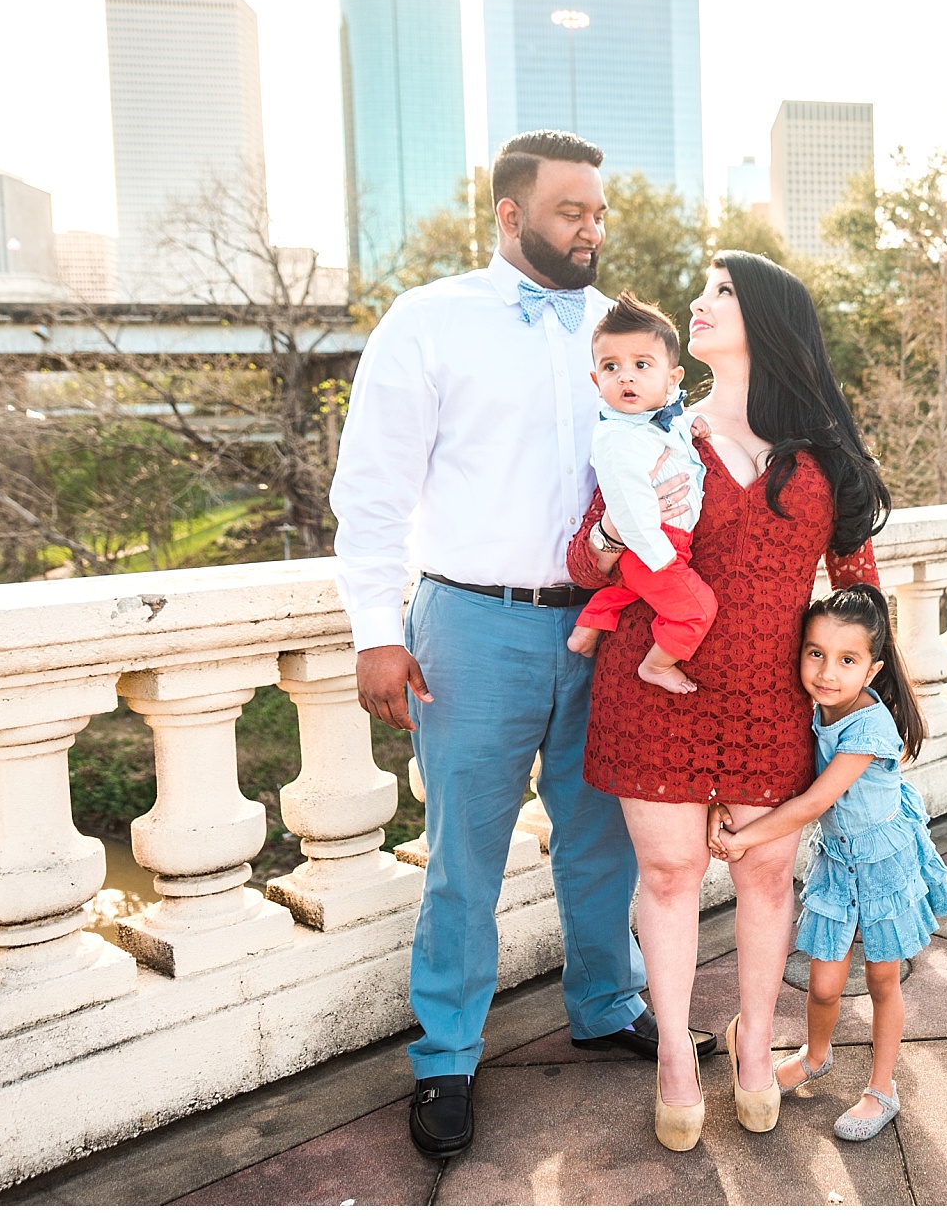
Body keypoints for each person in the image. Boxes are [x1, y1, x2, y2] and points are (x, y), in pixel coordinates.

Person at [331, 130, 710, 1162]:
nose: (591, 231)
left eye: (598, 213)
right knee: (463, 857)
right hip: (469, 626)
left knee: (600, 841)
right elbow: (370, 489)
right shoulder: (429, 321)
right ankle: (447, 1056)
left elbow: (666, 464)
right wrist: (374, 631)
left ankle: (604, 1003)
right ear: (509, 215)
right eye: (569, 213)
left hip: (607, 624)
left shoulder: (619, 335)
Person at [565, 252, 890, 1152]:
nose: (698, 305)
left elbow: (857, 588)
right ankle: (676, 1056)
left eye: (721, 293)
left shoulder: (822, 452)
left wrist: (863, 703)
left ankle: (754, 1050)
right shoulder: (659, 430)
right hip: (655, 688)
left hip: (770, 702)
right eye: (699, 291)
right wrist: (605, 534)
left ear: (771, 319)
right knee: (668, 878)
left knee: (765, 875)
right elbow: (582, 560)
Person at [709, 583, 947, 1143]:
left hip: (883, 859)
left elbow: (815, 802)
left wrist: (744, 838)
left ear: (872, 670)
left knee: (881, 978)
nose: (826, 671)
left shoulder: (868, 726)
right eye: (815, 653)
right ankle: (814, 1055)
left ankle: (882, 1088)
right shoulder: (814, 705)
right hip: (840, 860)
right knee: (823, 984)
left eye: (847, 660)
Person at [566, 297, 715, 695]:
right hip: (654, 545)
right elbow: (628, 508)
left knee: (631, 590)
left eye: (641, 365)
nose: (626, 378)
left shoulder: (656, 419)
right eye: (611, 367)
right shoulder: (617, 438)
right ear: (596, 381)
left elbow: (671, 421)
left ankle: (589, 625)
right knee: (699, 609)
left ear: (672, 379)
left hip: (662, 545)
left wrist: (691, 422)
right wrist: (660, 558)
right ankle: (658, 665)